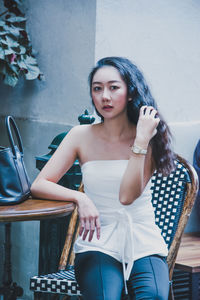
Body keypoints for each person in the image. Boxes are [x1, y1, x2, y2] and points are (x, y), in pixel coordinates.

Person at [31, 57, 175, 300]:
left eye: (113, 87)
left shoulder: (148, 135)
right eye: (97, 88)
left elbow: (127, 196)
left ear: (131, 92)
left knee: (154, 296)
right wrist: (80, 198)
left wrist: (140, 141)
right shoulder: (80, 135)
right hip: (97, 241)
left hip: (143, 240)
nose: (104, 96)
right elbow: (39, 185)